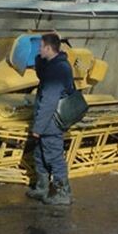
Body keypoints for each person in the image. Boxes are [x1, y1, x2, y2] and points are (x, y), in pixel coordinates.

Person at [25, 32, 75, 206]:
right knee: (40, 154)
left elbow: (49, 102)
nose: (38, 50)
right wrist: (40, 58)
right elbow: (41, 74)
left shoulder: (58, 69)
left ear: (48, 47)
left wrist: (38, 128)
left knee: (54, 157)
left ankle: (63, 193)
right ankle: (42, 187)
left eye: (40, 47)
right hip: (47, 122)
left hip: (52, 122)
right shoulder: (52, 64)